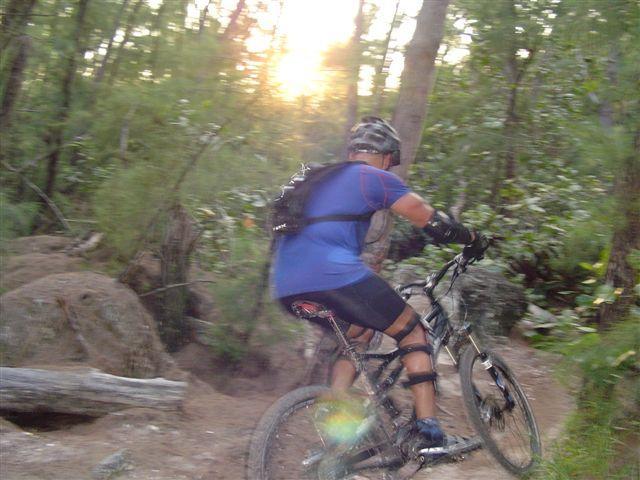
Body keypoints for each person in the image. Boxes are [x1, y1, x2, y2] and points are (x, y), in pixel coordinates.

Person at [272, 116, 488, 449]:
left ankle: (334, 417)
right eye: (392, 162)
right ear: (387, 156)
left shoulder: (320, 178)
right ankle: (429, 434)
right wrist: (473, 238)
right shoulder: (371, 177)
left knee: (360, 332)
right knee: (412, 330)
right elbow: (432, 223)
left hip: (287, 285)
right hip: (333, 276)